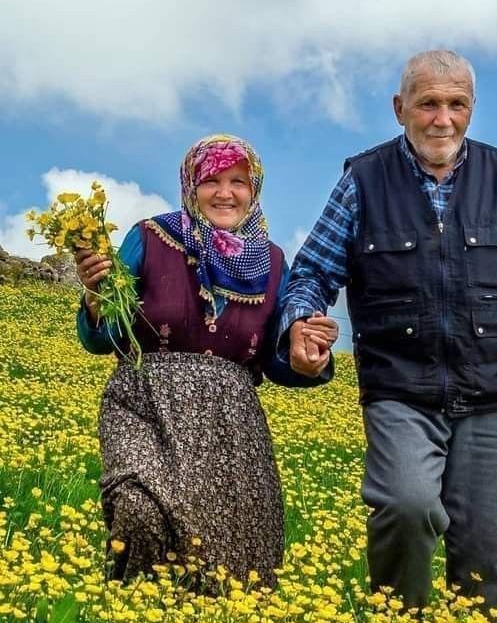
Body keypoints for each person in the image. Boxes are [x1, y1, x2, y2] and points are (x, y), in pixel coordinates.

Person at [280, 50, 497, 623]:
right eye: (428, 103)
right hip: (400, 388)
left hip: (491, 393)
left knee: (488, 545)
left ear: (472, 111)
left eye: (456, 104)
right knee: (406, 503)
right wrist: (302, 320)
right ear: (401, 109)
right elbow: (311, 273)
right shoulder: (363, 182)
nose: (442, 118)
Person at [75, 133, 337, 590]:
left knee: (233, 560)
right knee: (138, 508)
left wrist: (307, 356)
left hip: (230, 422)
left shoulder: (273, 263)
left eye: (238, 181)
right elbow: (104, 337)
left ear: (254, 190)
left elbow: (280, 356)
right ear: (190, 185)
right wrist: (97, 301)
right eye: (211, 180)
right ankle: (135, 617)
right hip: (145, 403)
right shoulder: (149, 238)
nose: (224, 193)